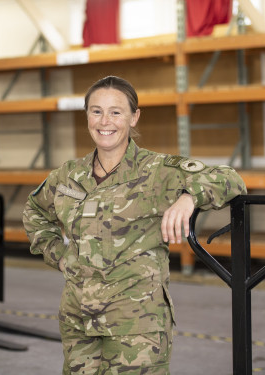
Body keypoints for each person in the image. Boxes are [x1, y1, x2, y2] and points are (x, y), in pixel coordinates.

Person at [22, 75, 246, 375]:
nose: (105, 121)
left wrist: (188, 198)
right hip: (79, 321)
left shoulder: (158, 171)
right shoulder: (69, 175)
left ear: (133, 116)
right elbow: (35, 210)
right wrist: (60, 257)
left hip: (136, 327)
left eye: (116, 111)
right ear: (87, 115)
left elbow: (231, 179)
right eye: (96, 110)